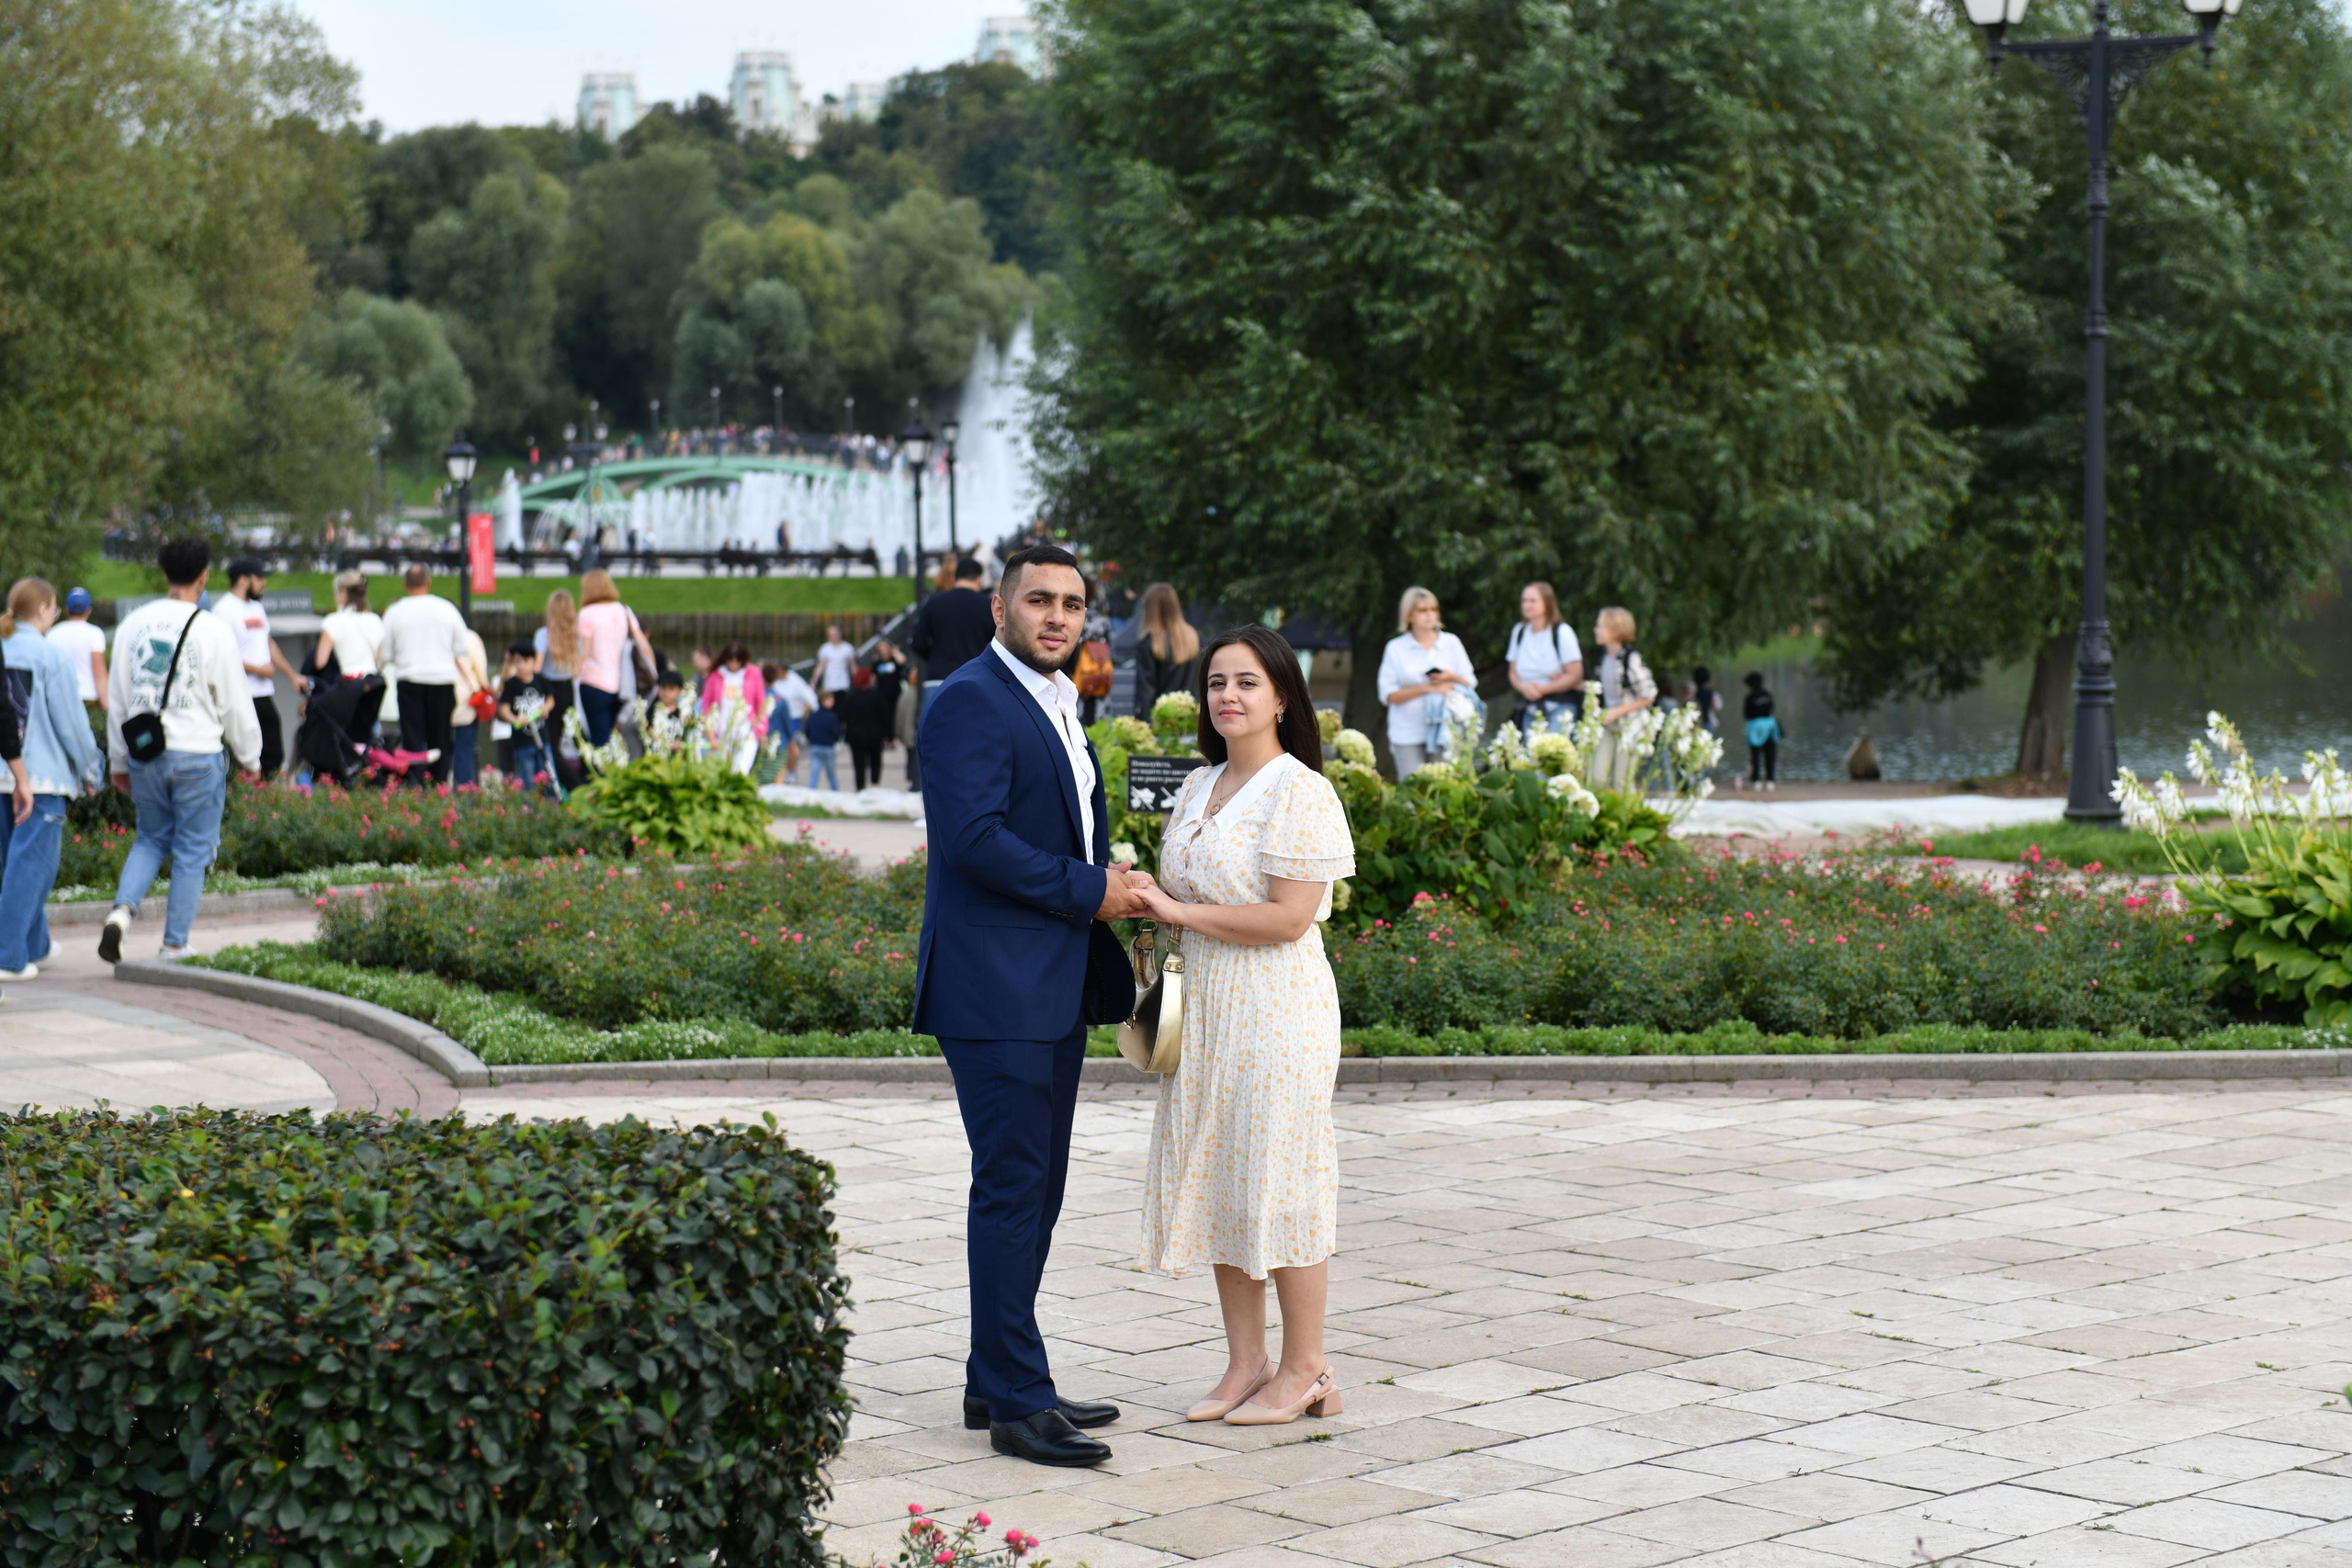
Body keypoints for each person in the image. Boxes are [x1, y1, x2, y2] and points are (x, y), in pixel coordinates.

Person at [913, 541, 1145, 1469]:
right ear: (1000, 609)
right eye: (1039, 600)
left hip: (1045, 983)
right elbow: (972, 843)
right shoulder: (969, 698)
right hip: (994, 986)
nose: (1057, 616)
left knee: (1032, 1190)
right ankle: (1017, 1401)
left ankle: (992, 1375)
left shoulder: (1059, 700)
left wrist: (1105, 876)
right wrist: (1093, 889)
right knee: (1013, 1189)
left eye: (1072, 604)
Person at [1130, 624, 1354, 1426]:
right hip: (1208, 1008)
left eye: (1247, 682)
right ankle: (1246, 1361)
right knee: (1226, 1173)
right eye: (1217, 682)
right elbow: (1183, 897)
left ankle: (1308, 1367)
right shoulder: (1198, 786)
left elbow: (1291, 918)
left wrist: (1179, 908)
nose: (1228, 695)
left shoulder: (1301, 790)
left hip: (1277, 1009)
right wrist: (1147, 898)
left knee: (1282, 1177)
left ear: (1282, 697)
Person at [99, 536, 262, 964]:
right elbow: (234, 700)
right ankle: (174, 943)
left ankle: (121, 911)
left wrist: (118, 760)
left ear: (165, 573)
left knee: (150, 838)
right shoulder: (212, 628)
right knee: (192, 848)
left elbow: (119, 697)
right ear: (204, 577)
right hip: (197, 754)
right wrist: (252, 757)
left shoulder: (134, 623)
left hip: (145, 754)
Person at [0, 580, 106, 979]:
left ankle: (36, 945)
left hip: (5, 775)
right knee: (33, 867)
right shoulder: (50, 656)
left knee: (18, 864)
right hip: (41, 780)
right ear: (44, 608)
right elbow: (73, 726)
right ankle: (8, 956)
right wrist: (91, 770)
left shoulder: (4, 647)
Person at [213, 558, 310, 778]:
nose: (263, 583)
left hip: (263, 692)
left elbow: (268, 644)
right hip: (242, 694)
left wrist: (292, 676)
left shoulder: (256, 607)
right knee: (250, 755)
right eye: (259, 578)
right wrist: (258, 670)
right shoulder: (223, 610)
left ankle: (263, 801)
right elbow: (222, 656)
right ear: (242, 580)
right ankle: (251, 801)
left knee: (273, 754)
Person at [378, 564, 472, 784]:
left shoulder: (395, 612)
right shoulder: (446, 609)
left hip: (409, 680)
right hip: (441, 680)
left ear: (405, 584)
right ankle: (438, 784)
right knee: (440, 738)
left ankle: (416, 784)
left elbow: (387, 653)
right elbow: (462, 647)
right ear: (429, 583)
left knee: (413, 740)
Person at [1375, 586, 1476, 777]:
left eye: (1433, 609)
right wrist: (1426, 688)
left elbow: (1471, 683)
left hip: (1447, 731)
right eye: (1422, 610)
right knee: (1413, 792)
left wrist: (1450, 677)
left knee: (1445, 790)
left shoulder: (1451, 643)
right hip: (1407, 733)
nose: (1429, 615)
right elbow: (1387, 695)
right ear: (1409, 616)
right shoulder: (1396, 648)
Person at [574, 569, 658, 748]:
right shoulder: (623, 610)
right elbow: (643, 645)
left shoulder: (586, 614)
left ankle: (601, 773)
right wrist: (653, 671)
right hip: (621, 686)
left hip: (593, 683)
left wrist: (571, 676)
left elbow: (585, 652)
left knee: (598, 740)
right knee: (613, 737)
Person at [1589, 606, 1657, 791]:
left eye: (1599, 626)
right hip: (1609, 725)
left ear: (1616, 631)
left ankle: (1628, 817)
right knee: (1597, 778)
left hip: (1631, 725)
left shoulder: (1630, 658)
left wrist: (1617, 711)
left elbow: (1649, 695)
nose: (1595, 630)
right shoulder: (1603, 657)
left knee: (1622, 781)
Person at [315, 570, 388, 741]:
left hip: (347, 690)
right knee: (369, 737)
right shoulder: (375, 620)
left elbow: (320, 661)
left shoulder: (333, 621)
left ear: (343, 592)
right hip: (371, 687)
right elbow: (378, 658)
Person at [1505, 581, 1582, 735]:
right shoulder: (1519, 631)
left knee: (1554, 753)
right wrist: (1524, 688)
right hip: (1530, 706)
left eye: (1533, 601)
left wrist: (1543, 689)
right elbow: (1512, 672)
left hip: (1559, 706)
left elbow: (1575, 675)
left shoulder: (1562, 632)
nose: (1527, 605)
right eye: (1524, 601)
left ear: (1547, 603)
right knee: (1531, 754)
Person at [909, 556, 996, 681]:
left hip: (939, 677)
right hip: (975, 678)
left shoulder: (933, 602)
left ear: (955, 578)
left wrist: (935, 658)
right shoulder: (989, 606)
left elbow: (917, 642)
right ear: (979, 579)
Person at [498, 643, 559, 795]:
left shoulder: (540, 680)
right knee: (529, 780)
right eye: (517, 662)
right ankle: (532, 808)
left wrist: (544, 708)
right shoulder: (511, 685)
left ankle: (552, 804)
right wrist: (515, 719)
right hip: (522, 742)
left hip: (542, 739)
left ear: (533, 661)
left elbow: (551, 700)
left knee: (549, 775)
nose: (521, 666)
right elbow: (503, 709)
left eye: (525, 661)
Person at [1131, 582, 1200, 717]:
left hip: (1161, 720)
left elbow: (1145, 692)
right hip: (1191, 718)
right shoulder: (1194, 638)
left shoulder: (1149, 643)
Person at [698, 642, 766, 773]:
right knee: (725, 771)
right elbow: (706, 705)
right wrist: (709, 733)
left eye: (737, 661)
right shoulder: (715, 675)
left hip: (747, 731)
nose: (734, 664)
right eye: (731, 660)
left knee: (742, 770)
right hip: (723, 732)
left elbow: (761, 703)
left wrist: (762, 730)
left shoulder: (753, 673)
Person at [46, 587, 107, 710]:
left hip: (60, 699)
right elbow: (99, 672)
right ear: (88, 610)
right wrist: (106, 703)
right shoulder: (95, 633)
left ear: (67, 610)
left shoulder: (52, 633)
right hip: (88, 698)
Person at [449, 620, 491, 786]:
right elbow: (481, 670)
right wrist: (485, 689)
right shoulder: (470, 638)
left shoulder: (433, 638)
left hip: (438, 700)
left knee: (440, 750)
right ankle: (465, 795)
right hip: (467, 701)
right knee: (465, 750)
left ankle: (436, 795)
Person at [838, 666, 892, 790]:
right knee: (875, 762)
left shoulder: (850, 696)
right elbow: (886, 717)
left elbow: (842, 716)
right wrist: (889, 735)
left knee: (859, 764)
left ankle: (860, 788)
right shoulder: (877, 695)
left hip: (855, 737)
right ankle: (874, 786)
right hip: (875, 736)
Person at [1743, 671, 1781, 790]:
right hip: (1769, 727)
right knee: (1770, 754)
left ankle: (1756, 781)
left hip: (1755, 728)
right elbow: (1772, 709)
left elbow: (1746, 714)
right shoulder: (1768, 694)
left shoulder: (1749, 697)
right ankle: (1770, 780)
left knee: (1755, 755)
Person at [802, 690, 842, 791]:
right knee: (831, 774)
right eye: (830, 699)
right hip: (828, 747)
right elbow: (837, 732)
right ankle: (835, 794)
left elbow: (807, 731)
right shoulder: (832, 716)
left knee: (814, 774)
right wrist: (833, 740)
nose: (832, 702)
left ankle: (810, 794)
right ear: (823, 701)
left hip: (815, 747)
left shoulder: (813, 716)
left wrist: (812, 740)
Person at [813, 621, 856, 694]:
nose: (831, 637)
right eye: (829, 635)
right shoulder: (824, 648)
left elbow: (853, 666)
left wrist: (858, 681)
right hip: (829, 685)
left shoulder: (848, 648)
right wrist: (814, 681)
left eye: (833, 634)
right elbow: (820, 666)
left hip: (844, 684)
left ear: (839, 635)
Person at [1691, 665, 1723, 733]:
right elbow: (1718, 706)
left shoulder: (1694, 692)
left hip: (1696, 722)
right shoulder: (1710, 692)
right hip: (1709, 721)